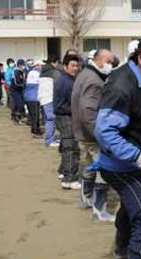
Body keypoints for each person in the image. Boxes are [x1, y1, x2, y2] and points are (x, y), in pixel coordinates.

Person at [95, 32, 141, 259]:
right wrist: (138, 157)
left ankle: (121, 248)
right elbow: (104, 131)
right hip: (119, 166)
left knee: (133, 208)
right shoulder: (122, 85)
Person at [71, 49, 115, 221]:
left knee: (89, 166)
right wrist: (101, 135)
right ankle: (99, 210)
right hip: (91, 134)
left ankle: (85, 198)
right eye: (109, 61)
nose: (111, 65)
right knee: (104, 170)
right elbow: (88, 111)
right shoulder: (94, 80)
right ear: (98, 60)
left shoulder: (84, 74)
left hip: (82, 133)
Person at [53, 54, 81, 189]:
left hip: (65, 116)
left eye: (77, 65)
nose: (75, 68)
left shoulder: (68, 79)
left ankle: (63, 171)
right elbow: (70, 103)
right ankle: (69, 178)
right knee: (71, 148)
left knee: (67, 145)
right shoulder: (66, 81)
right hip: (65, 116)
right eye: (73, 66)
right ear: (65, 67)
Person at [38, 55, 61, 147]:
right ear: (54, 62)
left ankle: (51, 138)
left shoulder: (43, 71)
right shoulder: (54, 72)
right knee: (51, 119)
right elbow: (59, 85)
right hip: (50, 98)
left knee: (49, 119)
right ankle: (49, 140)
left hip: (43, 98)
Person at [24, 59, 44, 138]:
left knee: (32, 114)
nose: (42, 67)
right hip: (34, 97)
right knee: (36, 115)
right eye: (41, 65)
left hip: (28, 96)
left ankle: (33, 129)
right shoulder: (38, 74)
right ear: (37, 65)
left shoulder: (30, 72)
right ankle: (36, 131)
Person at [10, 59, 26, 124]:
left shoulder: (21, 71)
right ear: (19, 65)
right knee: (19, 104)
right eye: (23, 65)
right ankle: (16, 118)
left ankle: (16, 117)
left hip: (19, 90)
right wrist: (24, 84)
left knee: (17, 104)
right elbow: (17, 82)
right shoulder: (16, 71)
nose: (24, 66)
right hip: (15, 90)